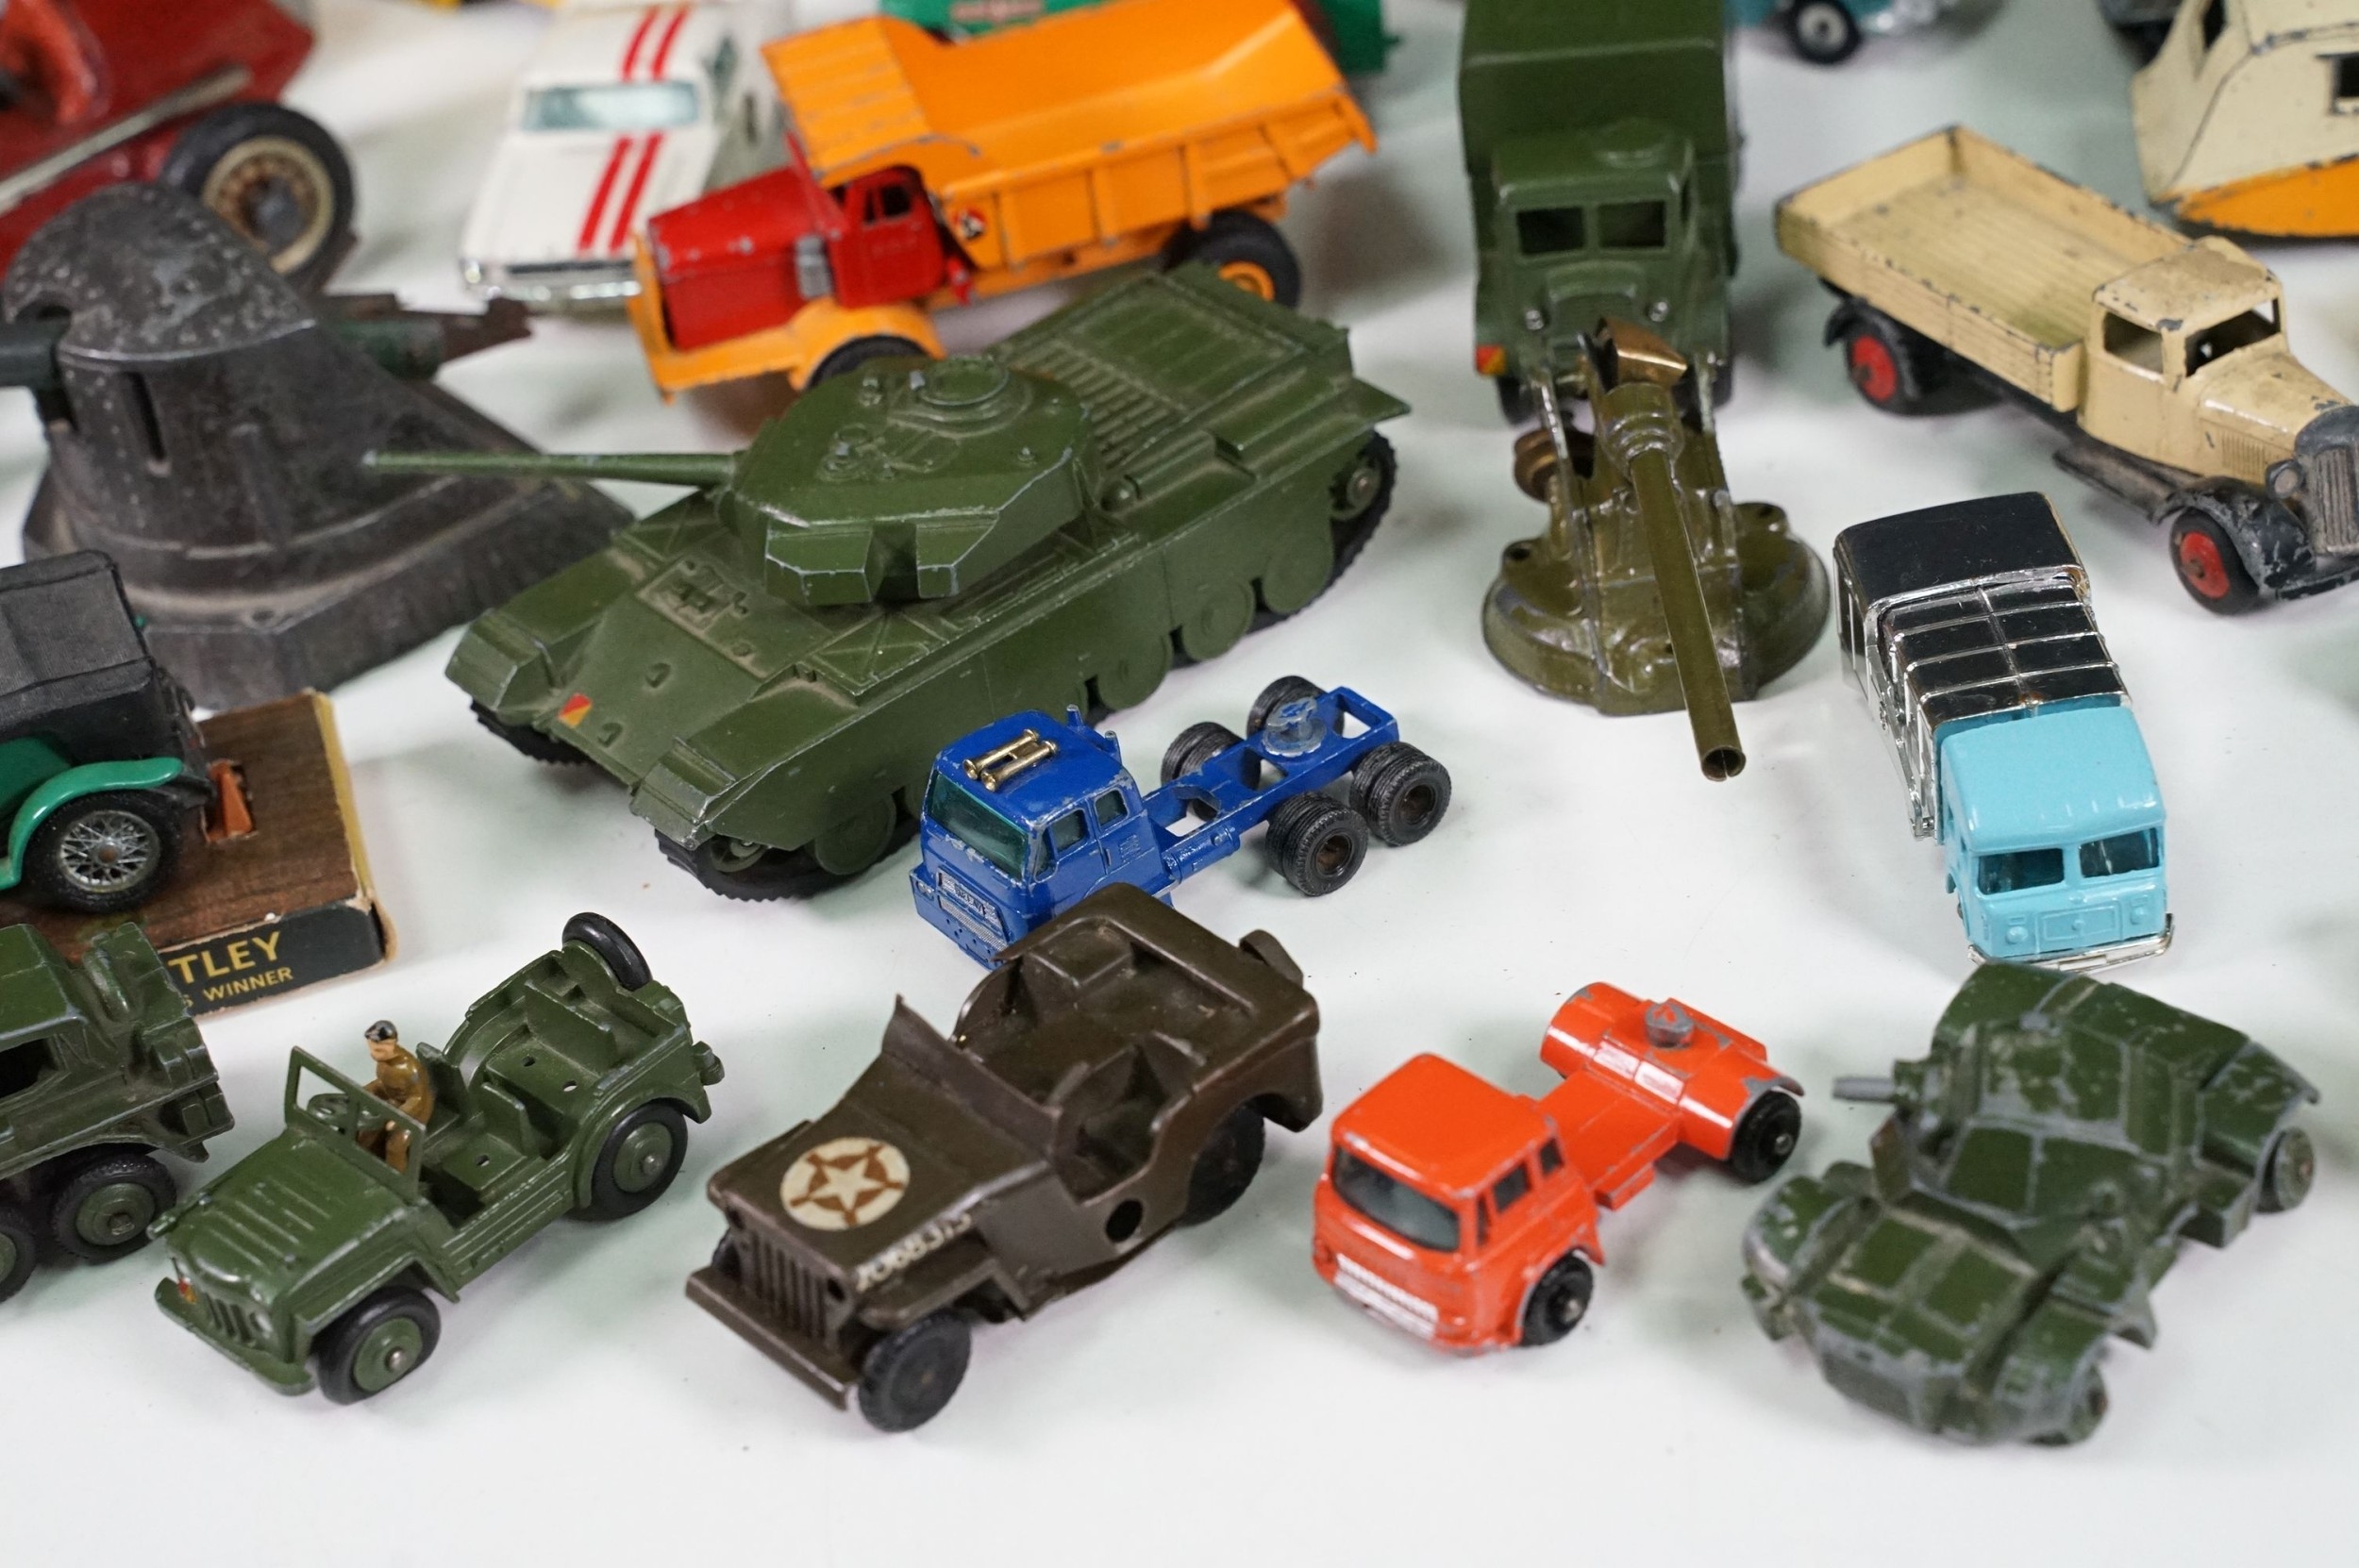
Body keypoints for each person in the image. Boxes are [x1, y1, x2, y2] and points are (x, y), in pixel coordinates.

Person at [361, 1020, 433, 1174]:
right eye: (371, 1048)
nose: (373, 1054)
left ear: (390, 1044)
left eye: (378, 1049)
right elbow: (381, 1083)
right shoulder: (384, 1062)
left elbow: (417, 1098)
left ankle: (396, 1178)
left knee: (396, 1146)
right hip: (393, 1101)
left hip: (416, 1110)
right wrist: (364, 1091)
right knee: (366, 1133)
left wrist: (397, 1119)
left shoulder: (409, 1069)